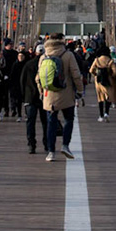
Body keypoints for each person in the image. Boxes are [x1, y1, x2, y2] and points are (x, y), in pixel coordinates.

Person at [37, 33, 83, 161]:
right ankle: (65, 145)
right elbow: (76, 75)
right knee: (68, 119)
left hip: (49, 95)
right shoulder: (68, 55)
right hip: (66, 94)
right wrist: (80, 90)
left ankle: (51, 152)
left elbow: (38, 78)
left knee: (51, 123)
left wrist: (42, 92)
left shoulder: (43, 56)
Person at [19, 46, 43, 153]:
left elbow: (22, 81)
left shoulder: (28, 64)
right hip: (44, 97)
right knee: (46, 121)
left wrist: (24, 96)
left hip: (30, 97)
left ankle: (31, 144)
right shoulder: (46, 64)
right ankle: (47, 143)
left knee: (30, 122)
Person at [88, 49, 116, 121]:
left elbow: (91, 70)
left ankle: (101, 116)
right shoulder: (110, 61)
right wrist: (111, 76)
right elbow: (115, 72)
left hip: (98, 82)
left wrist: (96, 75)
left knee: (100, 98)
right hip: (108, 81)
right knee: (108, 97)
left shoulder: (97, 60)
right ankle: (106, 113)